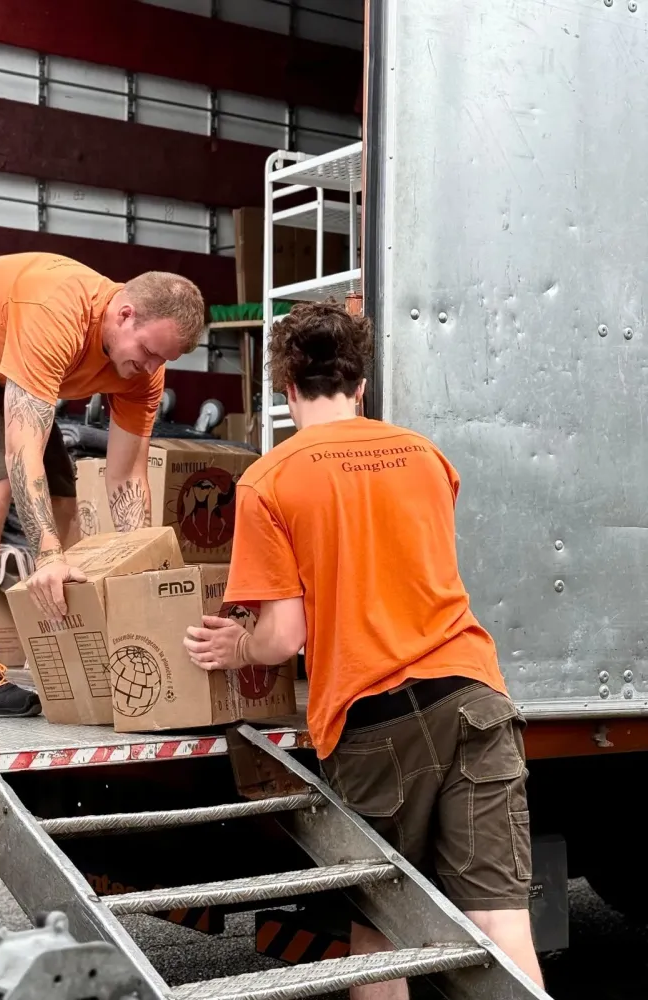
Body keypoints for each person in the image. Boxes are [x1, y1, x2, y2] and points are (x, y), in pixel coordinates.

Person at [183, 301, 544, 996]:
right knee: (501, 924)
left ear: (286, 389)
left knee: (381, 936)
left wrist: (237, 647)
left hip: (374, 724)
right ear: (360, 386)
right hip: (474, 697)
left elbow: (286, 636)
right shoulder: (425, 457)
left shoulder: (270, 479)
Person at [0, 252, 204, 718]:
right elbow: (20, 452)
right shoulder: (58, 310)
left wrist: (140, 573)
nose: (152, 365)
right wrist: (49, 556)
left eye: (164, 359)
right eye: (149, 351)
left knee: (62, 490)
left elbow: (126, 475)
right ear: (125, 313)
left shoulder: (144, 371)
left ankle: (69, 642)